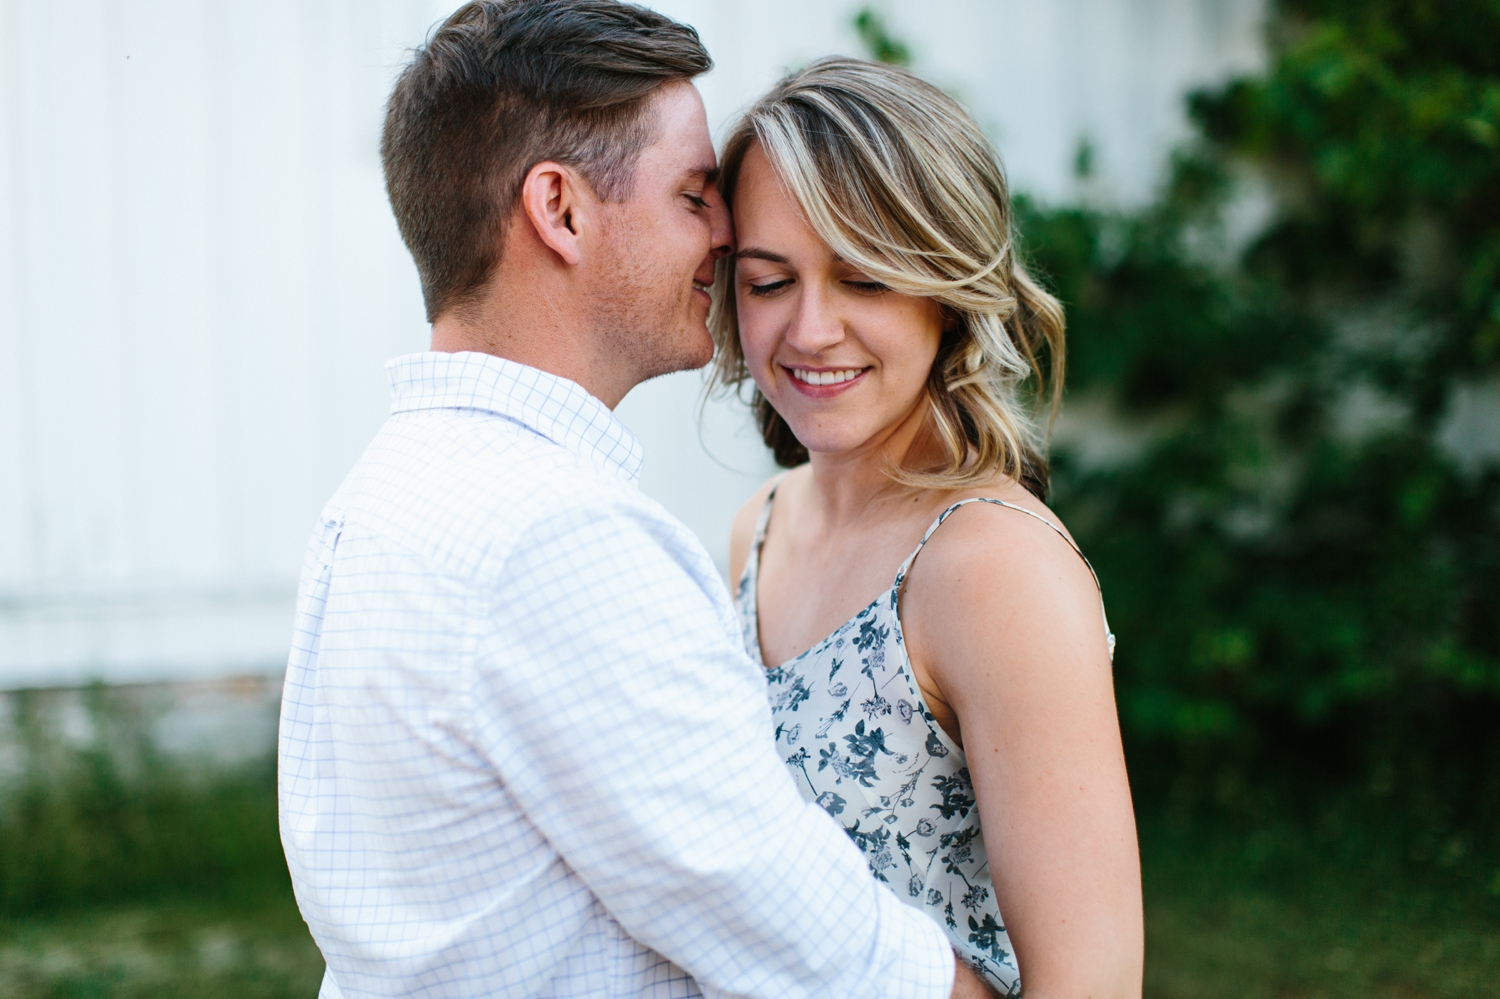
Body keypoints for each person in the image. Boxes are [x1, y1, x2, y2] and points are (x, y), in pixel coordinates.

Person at [278, 3, 992, 998]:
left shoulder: (379, 497)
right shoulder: (556, 535)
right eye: (694, 195)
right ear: (560, 209)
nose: (726, 234)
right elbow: (794, 927)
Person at [717, 58, 1145, 998]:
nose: (812, 329)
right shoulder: (758, 527)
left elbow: (1092, 983)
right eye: (770, 281)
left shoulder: (994, 570)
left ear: (946, 290)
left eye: (864, 278)